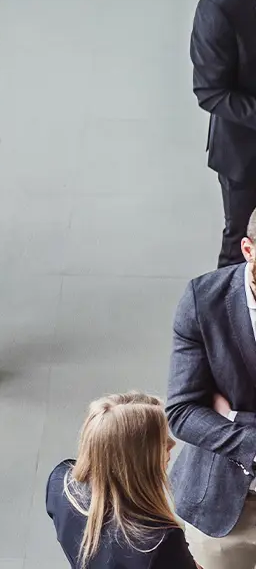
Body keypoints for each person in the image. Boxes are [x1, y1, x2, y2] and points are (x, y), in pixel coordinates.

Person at [166, 205, 256, 567]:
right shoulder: (203, 300)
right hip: (223, 507)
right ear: (248, 250)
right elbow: (183, 412)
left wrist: (232, 415)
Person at [46, 393, 195, 568]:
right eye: (161, 441)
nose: (172, 444)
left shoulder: (60, 481)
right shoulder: (159, 541)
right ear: (135, 459)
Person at [191, 0, 256, 268]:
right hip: (246, 154)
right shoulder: (220, 5)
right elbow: (210, 91)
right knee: (240, 246)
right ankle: (230, 325)